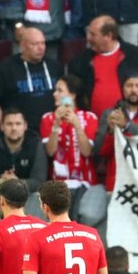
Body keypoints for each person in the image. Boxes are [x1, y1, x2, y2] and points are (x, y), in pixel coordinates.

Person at [70, 15, 138, 118]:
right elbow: (72, 93)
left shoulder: (136, 56)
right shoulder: (81, 61)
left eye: (93, 34)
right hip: (93, 127)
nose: (88, 38)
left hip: (132, 124)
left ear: (108, 36)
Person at [41, 75, 105, 225]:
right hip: (57, 185)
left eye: (59, 90)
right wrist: (56, 124)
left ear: (72, 95)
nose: (54, 94)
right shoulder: (48, 118)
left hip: (84, 182)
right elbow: (50, 152)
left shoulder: (89, 117)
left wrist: (77, 125)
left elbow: (87, 151)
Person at [94, 69, 138, 190]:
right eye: (129, 85)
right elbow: (99, 150)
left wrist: (126, 126)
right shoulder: (110, 113)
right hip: (117, 181)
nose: (133, 90)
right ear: (122, 88)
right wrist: (110, 132)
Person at [0, 27, 63, 128]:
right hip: (19, 130)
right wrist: (4, 125)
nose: (40, 48)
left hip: (52, 128)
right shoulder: (5, 68)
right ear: (22, 46)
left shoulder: (55, 66)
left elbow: (66, 95)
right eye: (34, 44)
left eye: (42, 43)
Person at [0, 109, 47, 192]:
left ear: (25, 126)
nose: (14, 128)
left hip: (29, 199)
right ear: (2, 126)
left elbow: (39, 181)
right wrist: (7, 183)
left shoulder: (36, 144)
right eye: (9, 124)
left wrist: (16, 183)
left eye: (18, 124)